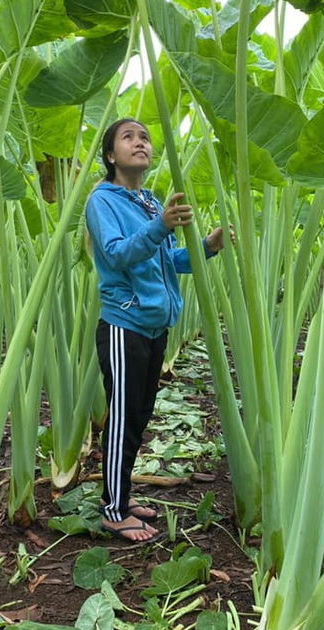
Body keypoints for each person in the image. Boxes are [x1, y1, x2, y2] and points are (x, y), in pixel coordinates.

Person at [85, 117, 233, 544]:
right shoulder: (103, 201)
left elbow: (170, 262)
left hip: (155, 327)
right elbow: (116, 255)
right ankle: (113, 511)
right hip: (123, 325)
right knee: (123, 419)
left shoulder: (150, 202)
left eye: (145, 137)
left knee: (140, 416)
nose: (141, 142)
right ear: (111, 155)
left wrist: (207, 247)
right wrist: (162, 226)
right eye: (128, 137)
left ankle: (122, 494)